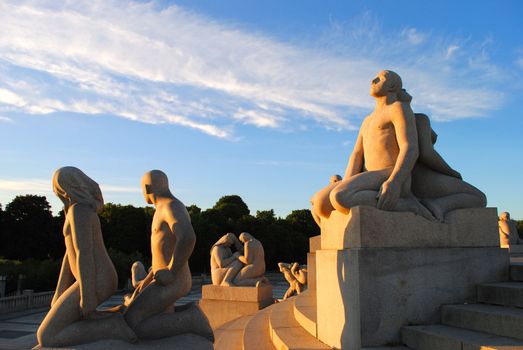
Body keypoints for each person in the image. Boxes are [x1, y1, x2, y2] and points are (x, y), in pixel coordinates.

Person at [312, 70, 434, 221]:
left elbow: (410, 148)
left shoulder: (398, 108)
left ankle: (408, 205)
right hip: (367, 177)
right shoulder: (367, 120)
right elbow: (357, 154)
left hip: (390, 173)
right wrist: (347, 181)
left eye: (379, 79)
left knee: (340, 196)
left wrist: (395, 182)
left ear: (392, 87)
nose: (373, 81)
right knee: (319, 204)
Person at [37, 167, 136, 347]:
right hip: (90, 278)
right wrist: (60, 291)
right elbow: (70, 254)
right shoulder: (74, 210)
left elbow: (85, 253)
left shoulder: (79, 211)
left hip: (97, 279)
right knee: (56, 328)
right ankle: (111, 318)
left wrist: (87, 296)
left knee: (47, 336)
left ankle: (112, 327)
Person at [124, 170, 211, 340]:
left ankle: (192, 319)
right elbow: (161, 255)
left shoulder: (171, 206)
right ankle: (187, 316)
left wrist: (171, 271)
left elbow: (187, 237)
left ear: (148, 188)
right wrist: (147, 281)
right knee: (152, 317)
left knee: (130, 322)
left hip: (173, 280)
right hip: (163, 278)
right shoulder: (163, 208)